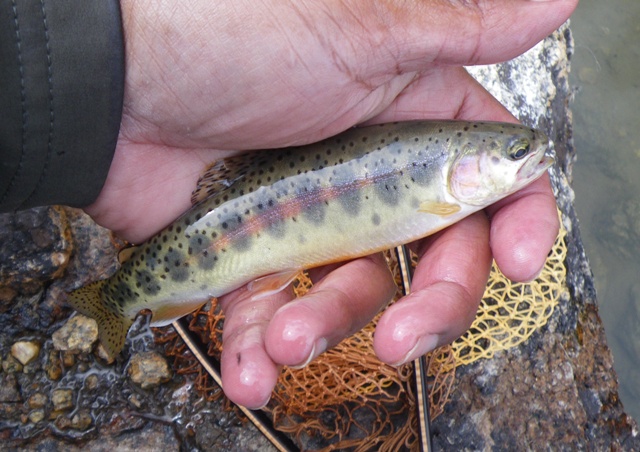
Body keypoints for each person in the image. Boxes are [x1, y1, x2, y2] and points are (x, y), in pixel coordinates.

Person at [1, 0, 578, 409]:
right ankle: (116, 299)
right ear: (467, 160)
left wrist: (110, 72)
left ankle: (117, 300)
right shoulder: (441, 192)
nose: (528, 155)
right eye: (513, 152)